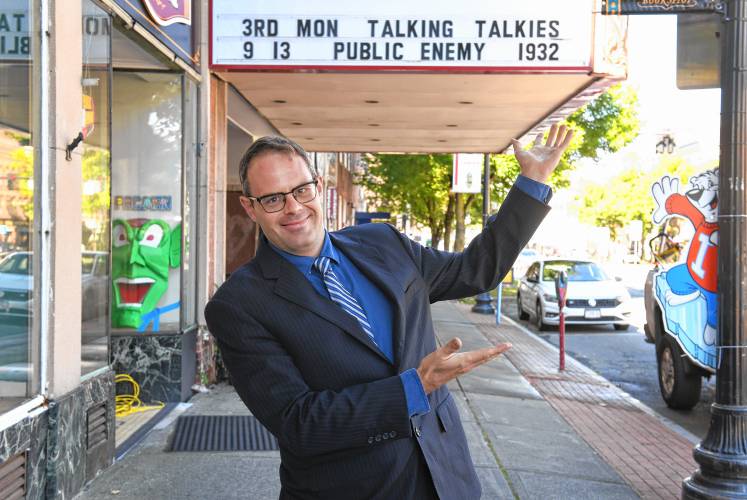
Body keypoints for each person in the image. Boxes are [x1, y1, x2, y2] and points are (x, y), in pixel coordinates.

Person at [204, 125, 573, 499]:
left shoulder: (383, 242)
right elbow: (299, 423)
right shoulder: (238, 306)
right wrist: (416, 387)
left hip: (446, 475)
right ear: (250, 208)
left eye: (301, 190)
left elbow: (477, 269)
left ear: (317, 184)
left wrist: (531, 183)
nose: (294, 208)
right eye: (273, 199)